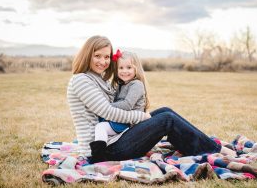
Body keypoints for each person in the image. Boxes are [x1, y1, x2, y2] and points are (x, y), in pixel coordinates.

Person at [67, 35, 236, 163]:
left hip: (116, 137)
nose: (103, 61)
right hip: (103, 149)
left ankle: (204, 144)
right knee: (166, 120)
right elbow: (108, 112)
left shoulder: (97, 78)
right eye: (97, 56)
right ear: (87, 55)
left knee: (164, 111)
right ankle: (213, 150)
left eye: (106, 57)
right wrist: (142, 116)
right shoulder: (82, 80)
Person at [92, 50, 150, 160]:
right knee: (100, 126)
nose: (124, 71)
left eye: (129, 67)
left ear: (136, 68)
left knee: (100, 127)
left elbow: (127, 105)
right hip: (123, 120)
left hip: (131, 124)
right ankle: (102, 150)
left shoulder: (136, 84)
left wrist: (106, 106)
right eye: (121, 68)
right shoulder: (121, 84)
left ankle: (99, 155)